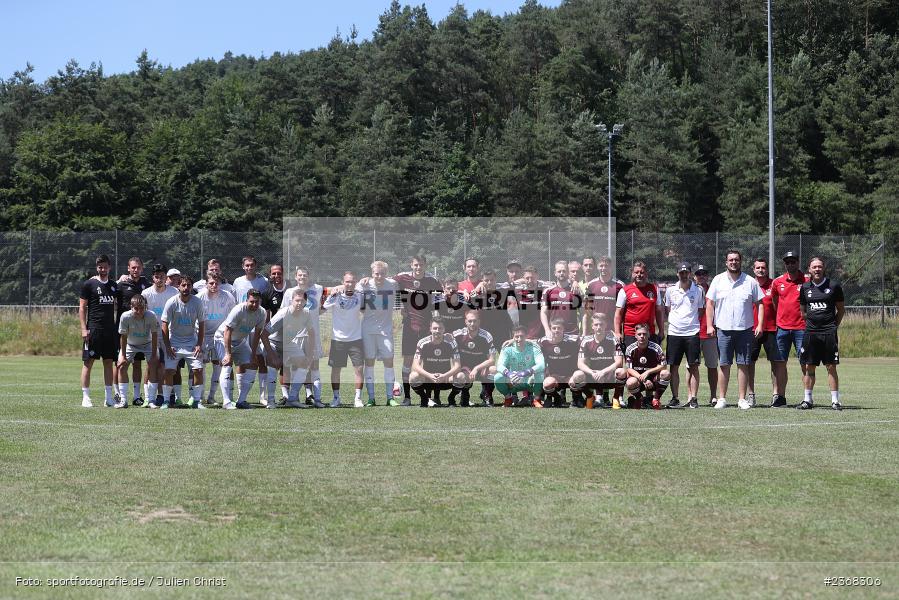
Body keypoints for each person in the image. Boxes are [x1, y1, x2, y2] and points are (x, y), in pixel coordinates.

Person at [705, 250, 764, 410]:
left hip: (745, 329)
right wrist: (710, 325)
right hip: (723, 329)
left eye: (736, 260)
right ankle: (722, 398)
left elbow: (760, 304)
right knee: (724, 364)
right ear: (726, 262)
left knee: (743, 364)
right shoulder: (718, 280)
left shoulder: (750, 281)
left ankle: (742, 399)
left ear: (741, 261)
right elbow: (710, 303)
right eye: (730, 260)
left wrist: (759, 325)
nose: (733, 262)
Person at [798, 257, 845, 410]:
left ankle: (835, 401)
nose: (817, 269)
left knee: (831, 367)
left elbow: (841, 310)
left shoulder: (834, 286)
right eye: (814, 267)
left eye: (819, 266)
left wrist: (833, 326)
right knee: (809, 366)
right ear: (809, 270)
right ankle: (807, 400)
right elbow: (803, 311)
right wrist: (812, 324)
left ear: (823, 268)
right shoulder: (805, 288)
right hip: (811, 333)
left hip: (829, 333)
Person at [394, 256, 441, 405]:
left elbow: (441, 297)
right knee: (407, 361)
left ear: (426, 265)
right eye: (416, 265)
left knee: (428, 362)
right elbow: (385, 281)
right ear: (411, 265)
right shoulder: (402, 277)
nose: (418, 267)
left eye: (421, 265)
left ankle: (430, 397)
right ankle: (407, 397)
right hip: (409, 327)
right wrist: (399, 304)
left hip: (426, 328)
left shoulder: (432, 281)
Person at [214, 289, 269, 410]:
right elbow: (227, 331)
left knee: (253, 364)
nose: (254, 304)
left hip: (240, 340)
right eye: (252, 302)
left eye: (257, 302)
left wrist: (253, 353)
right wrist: (228, 354)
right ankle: (226, 402)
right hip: (222, 338)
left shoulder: (262, 312)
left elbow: (257, 334)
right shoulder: (238, 310)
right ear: (247, 300)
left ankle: (241, 400)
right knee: (227, 364)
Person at [78, 254, 120, 408]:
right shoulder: (89, 284)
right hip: (94, 330)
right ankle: (86, 397)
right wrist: (84, 328)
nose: (102, 269)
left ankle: (108, 398)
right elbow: (82, 308)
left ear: (109, 267)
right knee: (88, 362)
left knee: (109, 362)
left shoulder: (114, 285)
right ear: (97, 268)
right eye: (100, 267)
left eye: (105, 267)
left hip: (110, 331)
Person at [159, 276, 206, 409]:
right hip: (174, 343)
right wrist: (167, 346)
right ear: (178, 287)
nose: (186, 288)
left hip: (191, 342)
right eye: (183, 285)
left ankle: (197, 401)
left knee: (198, 370)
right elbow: (164, 324)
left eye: (188, 285)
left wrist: (199, 344)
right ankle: (166, 401)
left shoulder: (197, 302)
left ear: (192, 287)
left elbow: (202, 324)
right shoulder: (171, 302)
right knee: (169, 371)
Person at [770, 250, 810, 407]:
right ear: (784, 264)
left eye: (793, 261)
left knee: (805, 363)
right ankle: (780, 397)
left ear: (798, 262)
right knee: (780, 363)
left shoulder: (807, 280)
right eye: (788, 262)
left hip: (802, 328)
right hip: (782, 328)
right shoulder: (777, 282)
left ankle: (807, 397)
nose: (790, 264)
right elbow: (775, 302)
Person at [356, 260, 398, 406]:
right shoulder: (363, 284)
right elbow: (348, 287)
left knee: (389, 361)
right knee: (369, 362)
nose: (379, 276)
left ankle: (390, 397)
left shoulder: (392, 283)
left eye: (382, 274)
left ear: (386, 274)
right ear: (371, 273)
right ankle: (371, 398)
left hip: (385, 330)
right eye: (376, 274)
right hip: (368, 329)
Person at [663, 263, 704, 409]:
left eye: (686, 272)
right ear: (677, 274)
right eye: (681, 272)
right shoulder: (670, 290)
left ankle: (693, 398)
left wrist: (690, 324)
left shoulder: (698, 290)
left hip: (692, 332)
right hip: (674, 332)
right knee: (673, 366)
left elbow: (700, 310)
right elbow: (668, 309)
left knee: (693, 366)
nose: (684, 275)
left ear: (690, 274)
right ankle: (675, 398)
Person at [284, 266, 326, 406]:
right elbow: (284, 312)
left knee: (314, 366)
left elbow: (334, 290)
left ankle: (316, 398)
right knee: (295, 367)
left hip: (312, 334)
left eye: (305, 275)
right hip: (295, 336)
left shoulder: (318, 289)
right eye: (299, 275)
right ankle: (292, 397)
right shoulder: (290, 292)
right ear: (295, 277)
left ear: (309, 276)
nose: (302, 277)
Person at [267, 291, 317, 409]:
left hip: (288, 343)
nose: (299, 303)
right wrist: (272, 355)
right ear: (291, 301)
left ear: (306, 303)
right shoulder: (283, 313)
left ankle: (292, 399)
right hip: (273, 342)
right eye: (297, 300)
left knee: (304, 363)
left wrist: (310, 356)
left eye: (302, 301)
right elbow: (264, 333)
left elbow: (312, 333)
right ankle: (270, 401)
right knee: (272, 367)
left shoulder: (306, 313)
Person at [323, 272, 366, 408]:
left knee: (359, 369)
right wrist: (333, 292)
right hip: (338, 340)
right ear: (343, 282)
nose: (349, 284)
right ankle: (336, 398)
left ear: (355, 282)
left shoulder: (360, 294)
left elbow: (371, 281)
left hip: (356, 339)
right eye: (347, 281)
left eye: (352, 282)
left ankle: (357, 398)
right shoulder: (336, 295)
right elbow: (324, 306)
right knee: (336, 370)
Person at [197, 272, 236, 405]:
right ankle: (200, 397)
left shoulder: (228, 296)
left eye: (216, 283)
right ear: (206, 284)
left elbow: (233, 315)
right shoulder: (199, 297)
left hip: (220, 335)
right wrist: (198, 340)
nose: (214, 285)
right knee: (200, 366)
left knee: (218, 365)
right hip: (202, 335)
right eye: (211, 283)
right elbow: (196, 318)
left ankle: (211, 396)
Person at [141, 264, 178, 406]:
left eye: (162, 276)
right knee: (151, 365)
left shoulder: (174, 292)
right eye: (157, 276)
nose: (159, 279)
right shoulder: (146, 293)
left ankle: (163, 396)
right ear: (153, 278)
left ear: (165, 277)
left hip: (169, 335)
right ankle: (147, 397)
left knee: (166, 366)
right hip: (151, 335)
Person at [571, 312, 625, 409]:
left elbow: (619, 362)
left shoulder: (613, 341)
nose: (599, 327)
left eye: (601, 324)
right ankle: (590, 397)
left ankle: (616, 398)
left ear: (606, 325)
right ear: (592, 326)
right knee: (577, 375)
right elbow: (580, 363)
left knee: (621, 371)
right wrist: (592, 373)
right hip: (593, 375)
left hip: (608, 376)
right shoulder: (586, 341)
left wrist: (603, 372)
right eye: (596, 324)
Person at [116, 295, 158, 408]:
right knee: (121, 366)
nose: (139, 311)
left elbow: (155, 335)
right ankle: (123, 401)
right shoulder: (125, 316)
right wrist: (123, 356)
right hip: (130, 344)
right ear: (131, 307)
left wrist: (154, 355)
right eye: (136, 308)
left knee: (154, 365)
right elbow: (123, 337)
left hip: (147, 344)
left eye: (142, 308)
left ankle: (151, 400)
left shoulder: (151, 315)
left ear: (145, 307)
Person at [409, 319, 464, 407]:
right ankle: (424, 398)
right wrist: (429, 375)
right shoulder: (422, 343)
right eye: (435, 328)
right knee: (413, 376)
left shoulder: (451, 343)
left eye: (440, 328)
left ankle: (451, 398)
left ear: (444, 329)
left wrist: (444, 376)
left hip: (445, 379)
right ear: (430, 329)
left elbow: (457, 366)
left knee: (461, 376)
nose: (437, 331)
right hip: (428, 379)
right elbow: (415, 365)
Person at [447, 310, 497, 407]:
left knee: (493, 370)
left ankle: (487, 395)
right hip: (465, 368)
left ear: (479, 321)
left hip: (481, 367)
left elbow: (492, 360)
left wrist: (476, 368)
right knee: (461, 376)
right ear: (465, 321)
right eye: (470, 321)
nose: (472, 323)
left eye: (475, 321)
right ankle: (463, 395)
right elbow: (445, 338)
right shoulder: (458, 334)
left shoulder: (486, 336)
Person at [748, 257, 779, 408]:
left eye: (763, 267)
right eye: (758, 268)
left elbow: (780, 306)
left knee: (774, 363)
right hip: (751, 330)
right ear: (753, 269)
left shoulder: (774, 284)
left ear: (767, 269)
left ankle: (776, 395)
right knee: (749, 363)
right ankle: (751, 395)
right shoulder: (748, 284)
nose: (761, 270)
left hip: (771, 329)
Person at [614, 261, 665, 349]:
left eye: (642, 272)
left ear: (646, 274)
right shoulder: (625, 291)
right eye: (636, 272)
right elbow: (618, 313)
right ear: (632, 273)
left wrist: (661, 331)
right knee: (632, 362)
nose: (639, 275)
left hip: (649, 333)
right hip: (631, 334)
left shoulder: (654, 289)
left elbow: (659, 312)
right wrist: (617, 332)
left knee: (650, 361)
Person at [258, 263, 288, 407]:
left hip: (291, 336)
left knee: (291, 367)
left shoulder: (292, 289)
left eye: (279, 273)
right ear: (270, 275)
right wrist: (266, 333)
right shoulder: (267, 292)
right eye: (274, 273)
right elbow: (266, 316)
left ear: (284, 273)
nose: (276, 276)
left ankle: (289, 397)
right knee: (272, 366)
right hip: (274, 335)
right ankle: (270, 400)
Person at [622, 323, 671, 409]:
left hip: (653, 379)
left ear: (648, 334)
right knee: (630, 382)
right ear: (635, 335)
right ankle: (639, 398)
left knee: (666, 373)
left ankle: (656, 399)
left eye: (644, 334)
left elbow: (664, 366)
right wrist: (644, 379)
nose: (642, 336)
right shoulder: (630, 349)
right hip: (638, 380)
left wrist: (648, 372)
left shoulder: (656, 348)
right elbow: (629, 369)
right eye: (639, 334)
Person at [494, 325, 545, 407]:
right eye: (516, 337)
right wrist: (509, 374)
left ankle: (536, 399)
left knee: (540, 374)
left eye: (522, 336)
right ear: (512, 337)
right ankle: (508, 398)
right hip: (513, 380)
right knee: (498, 377)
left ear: (526, 336)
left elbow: (541, 365)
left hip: (529, 380)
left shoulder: (534, 348)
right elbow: (499, 366)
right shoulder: (507, 349)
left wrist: (524, 373)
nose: (519, 339)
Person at [538, 318, 582, 408]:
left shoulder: (573, 340)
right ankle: (557, 397)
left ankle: (576, 399)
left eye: (559, 328)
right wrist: (512, 341)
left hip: (569, 376)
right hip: (554, 376)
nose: (556, 330)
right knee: (547, 384)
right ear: (550, 329)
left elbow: (589, 339)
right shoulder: (543, 341)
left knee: (577, 378)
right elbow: (528, 343)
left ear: (563, 329)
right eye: (554, 328)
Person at [693, 265, 719, 407]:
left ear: (707, 276)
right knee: (691, 366)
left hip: (710, 334)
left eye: (704, 274)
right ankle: (692, 396)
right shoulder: (690, 290)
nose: (701, 276)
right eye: (698, 274)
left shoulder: (713, 290)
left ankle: (713, 396)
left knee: (712, 366)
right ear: (694, 276)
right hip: (693, 334)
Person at [540, 260, 583, 337]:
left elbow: (582, 313)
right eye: (559, 271)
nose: (561, 273)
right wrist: (547, 330)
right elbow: (544, 312)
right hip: (554, 333)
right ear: (555, 273)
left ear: (568, 273)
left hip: (572, 333)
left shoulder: (576, 290)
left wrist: (583, 332)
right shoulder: (548, 291)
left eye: (564, 271)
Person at [583, 256, 623, 336]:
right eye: (601, 266)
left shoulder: (620, 285)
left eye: (606, 266)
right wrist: (585, 332)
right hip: (595, 331)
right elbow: (587, 311)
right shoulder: (591, 285)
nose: (603, 268)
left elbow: (623, 312)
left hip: (613, 331)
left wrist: (619, 332)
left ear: (611, 267)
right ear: (597, 267)